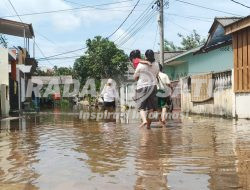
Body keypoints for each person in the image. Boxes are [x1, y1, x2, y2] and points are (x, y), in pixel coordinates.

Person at [133, 49, 159, 129]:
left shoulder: (140, 65)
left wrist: (138, 77)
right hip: (153, 86)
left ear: (145, 56)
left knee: (141, 108)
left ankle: (144, 120)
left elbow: (135, 77)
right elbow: (157, 74)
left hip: (142, 86)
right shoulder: (157, 64)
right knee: (151, 108)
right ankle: (148, 126)